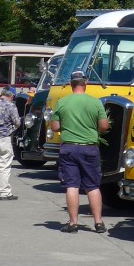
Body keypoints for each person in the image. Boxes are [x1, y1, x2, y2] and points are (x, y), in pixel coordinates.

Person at [49, 70, 109, 233]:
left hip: (69, 148)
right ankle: (98, 223)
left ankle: (73, 223)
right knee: (92, 186)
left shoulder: (62, 102)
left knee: (72, 185)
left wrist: (68, 126)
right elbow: (104, 126)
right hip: (89, 148)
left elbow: (54, 127)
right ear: (86, 83)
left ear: (71, 84)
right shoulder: (95, 102)